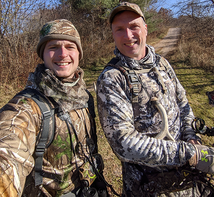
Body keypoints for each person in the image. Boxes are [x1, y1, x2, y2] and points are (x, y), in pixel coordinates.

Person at [96, 2, 214, 196]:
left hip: (189, 181)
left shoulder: (162, 64)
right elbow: (124, 144)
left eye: (134, 26)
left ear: (145, 29)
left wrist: (192, 138)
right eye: (119, 29)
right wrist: (188, 154)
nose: (128, 35)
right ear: (113, 34)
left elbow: (183, 104)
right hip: (148, 187)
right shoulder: (112, 78)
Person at [0, 19, 107, 197]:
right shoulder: (27, 107)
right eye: (53, 47)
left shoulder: (84, 97)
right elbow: (8, 153)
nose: (62, 54)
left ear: (79, 54)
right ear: (43, 54)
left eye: (70, 47)